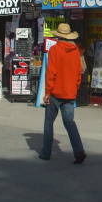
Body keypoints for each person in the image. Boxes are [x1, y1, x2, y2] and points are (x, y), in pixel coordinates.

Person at [39, 23, 86, 164]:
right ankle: (79, 151)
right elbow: (79, 74)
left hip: (55, 93)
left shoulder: (54, 50)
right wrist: (74, 88)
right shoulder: (76, 51)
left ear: (58, 36)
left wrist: (47, 92)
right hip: (70, 93)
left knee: (49, 122)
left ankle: (46, 153)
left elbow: (51, 73)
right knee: (69, 123)